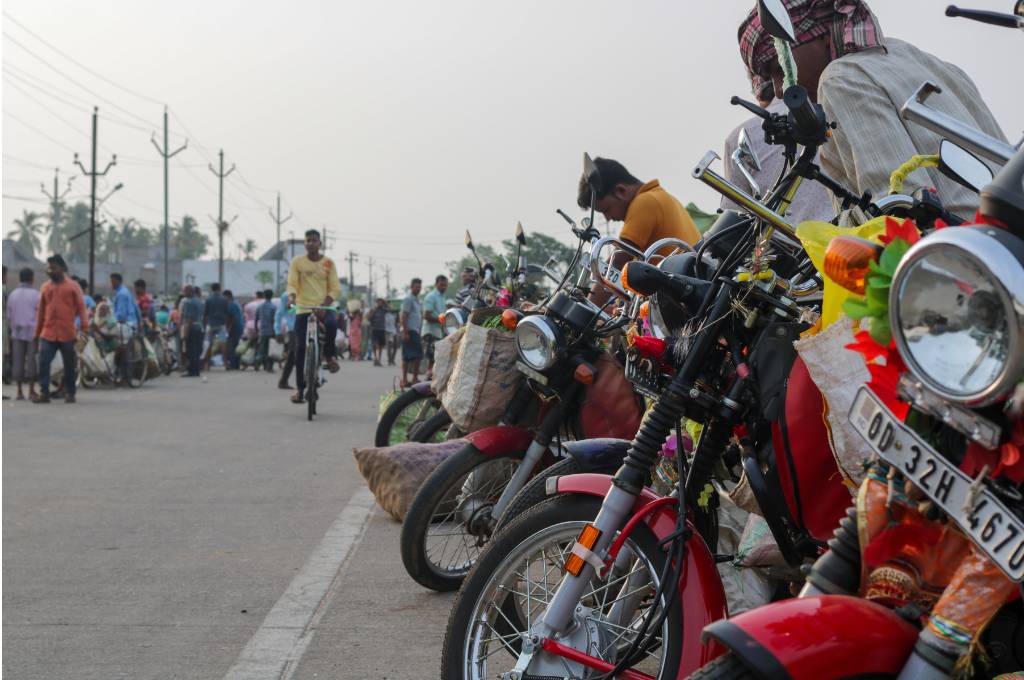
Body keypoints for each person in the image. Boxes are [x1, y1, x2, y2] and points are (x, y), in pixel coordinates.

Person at [737, 0, 1006, 219]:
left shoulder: (840, 79)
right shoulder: (923, 60)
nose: (781, 89)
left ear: (814, 36)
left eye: (778, 66)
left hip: (962, 268)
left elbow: (899, 208)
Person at [576, 157, 702, 305]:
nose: (608, 218)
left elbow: (617, 262)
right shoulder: (660, 196)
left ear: (620, 191)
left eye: (607, 209)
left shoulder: (644, 203)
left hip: (682, 301)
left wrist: (588, 310)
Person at [286, 228, 341, 404]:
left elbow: (335, 287)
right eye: (307, 240)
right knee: (300, 349)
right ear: (305, 243)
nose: (310, 243)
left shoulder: (328, 263)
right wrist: (292, 297)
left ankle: (330, 356)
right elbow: (292, 283)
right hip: (303, 308)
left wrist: (325, 305)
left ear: (320, 243)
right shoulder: (297, 262)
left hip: (324, 307)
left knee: (332, 324)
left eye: (314, 240)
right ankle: (300, 390)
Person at [34, 255, 87, 403]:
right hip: (48, 332)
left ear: (62, 268)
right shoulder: (45, 287)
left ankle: (70, 393)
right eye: (49, 267)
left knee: (69, 365)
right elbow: (41, 312)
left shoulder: (73, 286)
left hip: (67, 333)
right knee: (43, 361)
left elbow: (81, 307)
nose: (50, 270)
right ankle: (44, 392)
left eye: (53, 267)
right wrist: (37, 333)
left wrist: (85, 326)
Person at [6, 267, 40, 400]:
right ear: (31, 278)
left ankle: (19, 391)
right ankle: (31, 390)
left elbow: (9, 316)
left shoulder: (13, 295)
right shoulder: (37, 295)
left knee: (18, 361)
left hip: (17, 332)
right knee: (32, 361)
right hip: (32, 332)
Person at [420, 274, 448, 378]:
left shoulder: (442, 297)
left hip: (438, 331)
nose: (443, 287)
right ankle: (429, 376)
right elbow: (426, 316)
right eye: (441, 285)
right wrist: (441, 320)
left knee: (436, 356)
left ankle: (431, 376)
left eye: (445, 285)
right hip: (430, 331)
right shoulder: (431, 296)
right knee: (431, 356)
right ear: (436, 284)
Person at [399, 278, 424, 388]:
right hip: (409, 330)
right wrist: (405, 332)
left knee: (416, 356)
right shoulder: (408, 299)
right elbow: (403, 315)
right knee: (408, 356)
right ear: (411, 287)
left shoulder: (416, 300)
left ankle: (414, 378)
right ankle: (405, 379)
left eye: (419, 287)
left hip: (416, 331)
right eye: (416, 287)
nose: (418, 289)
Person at [202, 282, 229, 371]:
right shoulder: (224, 299)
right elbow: (226, 313)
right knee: (223, 343)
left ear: (211, 289)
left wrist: (205, 325)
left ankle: (207, 364)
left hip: (211, 323)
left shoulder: (208, 299)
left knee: (208, 344)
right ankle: (225, 363)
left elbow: (205, 314)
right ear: (219, 288)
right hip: (221, 324)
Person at [180, 285, 204, 377]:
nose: (183, 294)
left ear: (190, 291)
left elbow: (189, 319)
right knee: (197, 350)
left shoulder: (188, 303)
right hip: (199, 327)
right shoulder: (200, 302)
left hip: (192, 328)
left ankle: (192, 371)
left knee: (190, 351)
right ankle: (196, 370)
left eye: (185, 291)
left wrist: (185, 333)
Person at [275, 289, 297, 390]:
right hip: (293, 330)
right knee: (293, 355)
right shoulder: (287, 297)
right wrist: (278, 332)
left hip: (304, 328)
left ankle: (283, 380)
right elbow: (278, 317)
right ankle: (283, 380)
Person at [254, 288, 277, 372]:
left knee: (262, 349)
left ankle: (257, 362)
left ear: (264, 296)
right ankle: (269, 367)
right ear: (272, 296)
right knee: (271, 349)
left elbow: (256, 319)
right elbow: (275, 320)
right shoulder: (273, 307)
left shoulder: (260, 307)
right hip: (271, 331)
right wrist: (276, 331)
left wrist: (256, 329)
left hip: (262, 331)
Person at [224, 290, 244, 370]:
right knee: (235, 346)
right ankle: (235, 364)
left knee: (233, 347)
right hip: (238, 327)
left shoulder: (232, 305)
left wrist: (229, 328)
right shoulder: (235, 304)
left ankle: (234, 364)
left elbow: (234, 318)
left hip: (235, 328)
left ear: (228, 296)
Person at [368, 298, 389, 367]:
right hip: (374, 329)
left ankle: (378, 359)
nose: (380, 303)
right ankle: (376, 359)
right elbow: (369, 318)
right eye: (378, 302)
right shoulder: (373, 309)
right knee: (375, 345)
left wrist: (385, 302)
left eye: (381, 302)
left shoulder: (384, 310)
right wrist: (373, 311)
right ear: (376, 303)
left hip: (382, 329)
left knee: (380, 346)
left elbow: (390, 309)